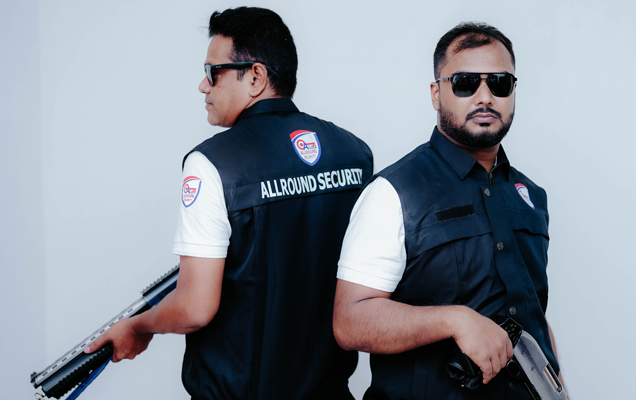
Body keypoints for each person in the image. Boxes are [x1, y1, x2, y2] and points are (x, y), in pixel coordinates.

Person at [87, 7, 372, 400]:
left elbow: (194, 307)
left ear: (255, 77)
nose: (202, 86)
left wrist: (138, 326)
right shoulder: (355, 153)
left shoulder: (212, 164)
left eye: (213, 72)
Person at [333, 22, 566, 399]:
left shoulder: (531, 195)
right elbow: (350, 321)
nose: (485, 97)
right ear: (436, 93)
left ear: (513, 91)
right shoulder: (393, 193)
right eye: (465, 83)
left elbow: (531, 312)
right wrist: (454, 320)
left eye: (499, 83)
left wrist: (557, 386)